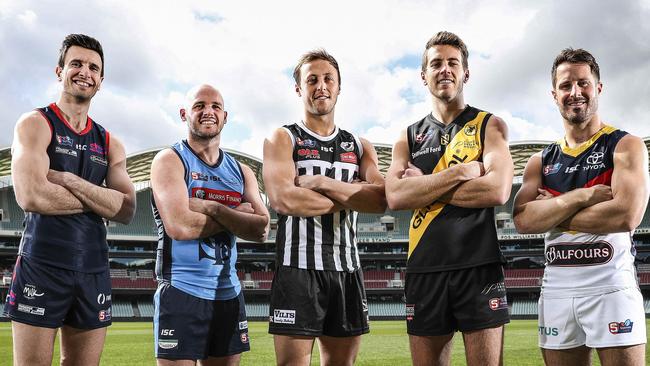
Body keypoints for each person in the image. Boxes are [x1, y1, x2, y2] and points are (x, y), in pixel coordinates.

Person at [4, 34, 136, 365]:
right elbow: (32, 195)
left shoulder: (109, 142)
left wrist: (69, 180)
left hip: (94, 268)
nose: (85, 72)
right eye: (76, 63)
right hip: (42, 264)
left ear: (101, 81)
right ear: (59, 70)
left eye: (93, 67)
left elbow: (127, 208)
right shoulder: (35, 124)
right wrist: (99, 198)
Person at [513, 48, 648, 366]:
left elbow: (627, 214)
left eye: (583, 83)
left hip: (611, 289)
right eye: (565, 85)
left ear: (598, 88)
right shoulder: (540, 161)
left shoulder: (625, 145)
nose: (575, 92)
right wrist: (581, 197)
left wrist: (553, 212)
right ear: (554, 94)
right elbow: (523, 220)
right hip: (557, 290)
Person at [385, 31, 513, 366]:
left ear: (465, 73)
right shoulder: (408, 136)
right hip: (424, 268)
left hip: (479, 266)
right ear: (423, 75)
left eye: (452, 63)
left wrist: (423, 187)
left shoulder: (489, 124)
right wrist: (459, 173)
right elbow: (396, 195)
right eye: (436, 63)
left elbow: (497, 190)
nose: (445, 69)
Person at [263, 49, 386, 366]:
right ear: (299, 88)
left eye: (328, 78)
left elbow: (382, 199)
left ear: (339, 86)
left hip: (347, 269)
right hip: (297, 269)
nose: (321, 86)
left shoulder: (359, 146)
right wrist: (352, 193)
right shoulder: (282, 138)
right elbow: (284, 200)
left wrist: (323, 183)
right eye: (312, 79)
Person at [150, 84, 269, 366]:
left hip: (228, 293)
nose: (208, 112)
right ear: (184, 114)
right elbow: (180, 226)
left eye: (215, 106)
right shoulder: (169, 160)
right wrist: (235, 215)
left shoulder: (242, 171)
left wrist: (212, 207)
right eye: (199, 105)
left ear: (225, 117)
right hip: (181, 290)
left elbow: (262, 229)